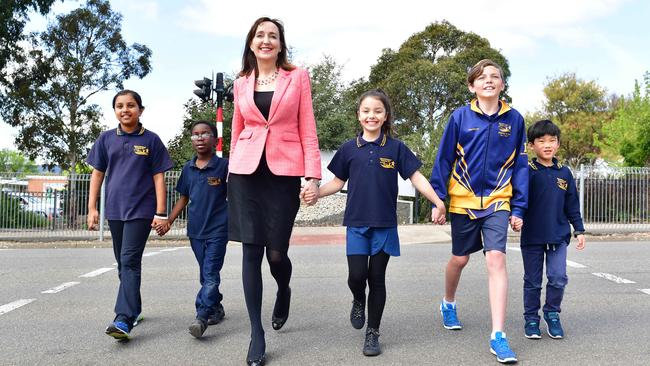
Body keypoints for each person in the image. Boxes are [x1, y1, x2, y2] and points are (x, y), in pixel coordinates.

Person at [310, 89, 446, 357]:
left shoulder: (396, 148)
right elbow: (337, 183)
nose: (371, 115)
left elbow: (416, 178)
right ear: (359, 115)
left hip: (384, 224)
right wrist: (315, 193)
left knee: (377, 278)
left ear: (385, 116)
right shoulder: (349, 148)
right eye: (366, 111)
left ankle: (373, 333)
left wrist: (437, 201)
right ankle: (358, 299)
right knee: (356, 276)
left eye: (378, 111)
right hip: (356, 224)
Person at [227, 17, 321, 366]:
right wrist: (229, 170)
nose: (266, 40)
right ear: (251, 43)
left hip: (284, 172)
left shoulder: (297, 77)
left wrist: (312, 176)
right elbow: (237, 131)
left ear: (281, 45)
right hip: (245, 173)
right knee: (250, 252)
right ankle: (257, 334)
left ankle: (283, 290)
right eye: (260, 35)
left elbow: (307, 127)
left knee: (276, 254)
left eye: (273, 36)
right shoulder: (241, 83)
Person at [429, 59, 528, 363]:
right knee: (459, 259)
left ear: (502, 84)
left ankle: (498, 335)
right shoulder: (460, 117)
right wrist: (438, 199)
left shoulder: (514, 120)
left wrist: (519, 207)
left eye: (494, 76)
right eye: (481, 77)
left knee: (496, 259)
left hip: (499, 200)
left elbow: (521, 165)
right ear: (472, 86)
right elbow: (444, 159)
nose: (489, 80)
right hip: (463, 201)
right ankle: (448, 302)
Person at [86, 90, 173, 340]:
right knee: (123, 264)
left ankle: (123, 318)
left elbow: (159, 177)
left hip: (141, 211)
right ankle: (135, 308)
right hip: (114, 210)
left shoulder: (151, 141)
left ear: (140, 110)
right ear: (115, 111)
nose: (125, 110)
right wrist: (93, 208)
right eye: (120, 106)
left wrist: (160, 212)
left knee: (130, 260)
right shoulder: (105, 139)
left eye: (131, 105)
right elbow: (97, 174)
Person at [157, 121, 229, 339]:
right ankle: (216, 307)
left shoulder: (225, 166)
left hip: (218, 230)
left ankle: (202, 315)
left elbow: (237, 194)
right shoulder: (188, 169)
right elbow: (184, 198)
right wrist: (168, 220)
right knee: (206, 274)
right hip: (195, 232)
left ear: (215, 139)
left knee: (210, 275)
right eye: (195, 134)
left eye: (205, 133)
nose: (199, 138)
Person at [520, 119, 586, 340]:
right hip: (532, 236)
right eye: (541, 141)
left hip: (558, 236)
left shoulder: (564, 172)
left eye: (552, 141)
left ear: (558, 144)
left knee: (558, 278)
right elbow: (518, 199)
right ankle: (531, 318)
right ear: (532, 145)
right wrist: (516, 216)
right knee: (533, 281)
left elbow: (572, 204)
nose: (547, 145)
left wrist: (579, 229)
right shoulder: (526, 171)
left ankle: (552, 314)